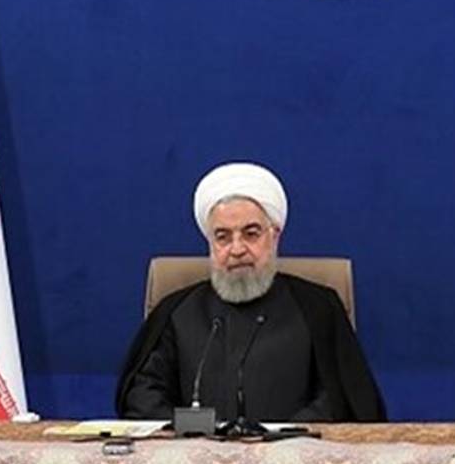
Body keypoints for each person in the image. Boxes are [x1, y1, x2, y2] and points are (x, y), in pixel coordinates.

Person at [115, 162, 386, 423]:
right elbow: (143, 395)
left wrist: (280, 438)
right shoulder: (176, 311)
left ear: (275, 236)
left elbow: (341, 398)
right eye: (223, 237)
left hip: (294, 450)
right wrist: (193, 435)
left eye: (251, 234)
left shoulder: (318, 308)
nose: (237, 249)